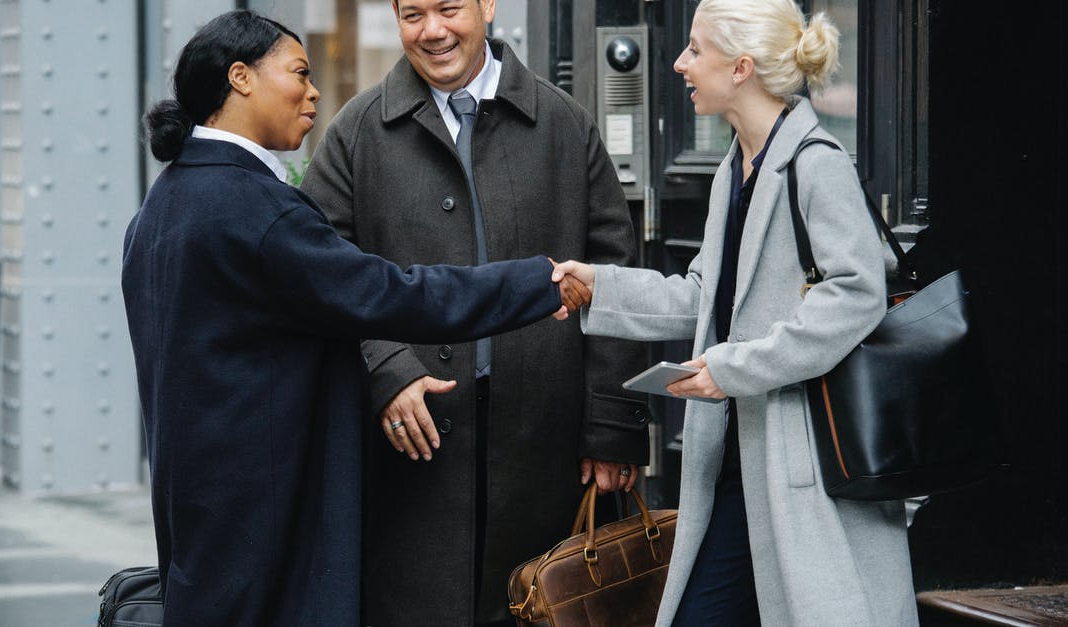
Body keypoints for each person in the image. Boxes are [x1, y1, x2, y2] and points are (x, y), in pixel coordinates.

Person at [121, 11, 587, 626]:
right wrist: (535, 281)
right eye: (298, 72)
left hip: (203, 510)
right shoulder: (254, 210)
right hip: (268, 515)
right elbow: (392, 295)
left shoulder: (164, 204)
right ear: (241, 79)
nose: (313, 91)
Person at [551, 0, 919, 625]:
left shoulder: (814, 162)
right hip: (736, 464)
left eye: (695, 49)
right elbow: (705, 297)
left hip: (800, 468)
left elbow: (856, 293)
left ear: (742, 67)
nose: (678, 62)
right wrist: (601, 287)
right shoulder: (736, 167)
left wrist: (733, 369)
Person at [299, 1, 650, 624]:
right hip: (410, 462)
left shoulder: (564, 124)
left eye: (449, 8)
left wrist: (613, 429)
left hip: (546, 451)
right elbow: (314, 274)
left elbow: (615, 275)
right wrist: (385, 367)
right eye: (412, 14)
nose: (432, 31)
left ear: (488, 5)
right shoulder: (356, 132)